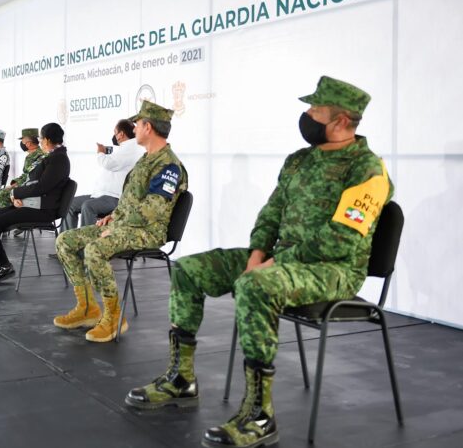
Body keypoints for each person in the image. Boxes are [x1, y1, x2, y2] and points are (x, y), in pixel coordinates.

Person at [124, 77, 393, 448]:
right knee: (189, 269)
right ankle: (181, 379)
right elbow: (271, 214)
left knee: (255, 285)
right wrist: (257, 255)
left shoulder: (368, 169)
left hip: (334, 270)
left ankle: (259, 415)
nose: (307, 116)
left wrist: (273, 266)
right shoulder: (299, 160)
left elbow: (340, 238)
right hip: (281, 261)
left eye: (316, 111)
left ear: (343, 121)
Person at [53, 101, 188, 343]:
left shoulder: (168, 165)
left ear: (148, 127)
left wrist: (118, 227)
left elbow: (152, 212)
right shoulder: (146, 160)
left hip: (148, 232)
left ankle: (114, 316)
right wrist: (113, 217)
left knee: (95, 249)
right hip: (126, 225)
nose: (134, 130)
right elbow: (131, 201)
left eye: (137, 125)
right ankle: (87, 308)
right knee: (65, 240)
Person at [0, 123, 70, 290]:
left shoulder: (58, 159)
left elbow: (42, 187)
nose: (41, 142)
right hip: (33, 204)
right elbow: (35, 183)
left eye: (41, 139)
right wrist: (19, 196)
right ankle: (4, 266)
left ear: (47, 140)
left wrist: (16, 194)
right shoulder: (53, 157)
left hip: (43, 210)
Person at [60, 119, 143, 232]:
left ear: (121, 134)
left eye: (115, 132)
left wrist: (101, 152)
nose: (114, 136)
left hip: (114, 197)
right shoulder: (123, 148)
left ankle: (85, 242)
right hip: (101, 195)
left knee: (88, 206)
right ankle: (66, 240)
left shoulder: (131, 147)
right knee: (71, 204)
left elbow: (110, 163)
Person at [0, 128, 45, 209]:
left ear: (29, 144)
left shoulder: (39, 156)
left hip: (31, 188)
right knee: (1, 194)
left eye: (23, 141)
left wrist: (15, 187)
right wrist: (13, 185)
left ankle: (7, 217)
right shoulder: (32, 155)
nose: (22, 143)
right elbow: (25, 175)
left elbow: (31, 178)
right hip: (26, 185)